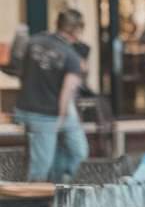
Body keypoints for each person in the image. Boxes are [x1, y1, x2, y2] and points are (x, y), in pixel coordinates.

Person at [14, 10, 89, 182]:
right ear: (75, 30)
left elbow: (20, 72)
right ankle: (43, 195)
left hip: (25, 109)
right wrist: (59, 121)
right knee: (41, 168)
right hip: (48, 115)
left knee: (67, 152)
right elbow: (66, 93)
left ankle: (57, 188)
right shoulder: (71, 56)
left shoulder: (34, 41)